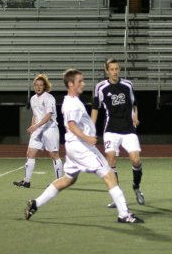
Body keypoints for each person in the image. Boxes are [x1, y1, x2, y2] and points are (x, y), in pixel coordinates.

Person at [24, 68, 144, 224]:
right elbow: (72, 125)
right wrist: (87, 137)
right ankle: (124, 214)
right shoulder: (71, 104)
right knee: (109, 174)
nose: (83, 83)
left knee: (67, 180)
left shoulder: (71, 100)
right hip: (82, 147)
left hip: (74, 148)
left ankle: (35, 203)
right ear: (70, 84)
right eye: (80, 81)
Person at [91, 58, 145, 208]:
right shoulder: (100, 87)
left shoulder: (127, 85)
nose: (115, 72)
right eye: (112, 69)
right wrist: (91, 130)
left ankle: (137, 187)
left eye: (117, 69)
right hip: (111, 129)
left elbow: (134, 103)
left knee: (135, 160)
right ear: (107, 71)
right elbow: (95, 108)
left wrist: (136, 115)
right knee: (111, 159)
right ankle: (118, 196)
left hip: (128, 128)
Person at [13, 73, 63, 188]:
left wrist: (36, 126)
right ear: (34, 86)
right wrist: (33, 128)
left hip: (50, 129)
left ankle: (59, 182)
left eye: (41, 85)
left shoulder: (49, 97)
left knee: (54, 155)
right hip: (38, 130)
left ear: (44, 86)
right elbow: (35, 115)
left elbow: (49, 115)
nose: (38, 87)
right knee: (30, 153)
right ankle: (26, 181)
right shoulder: (33, 99)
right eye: (36, 85)